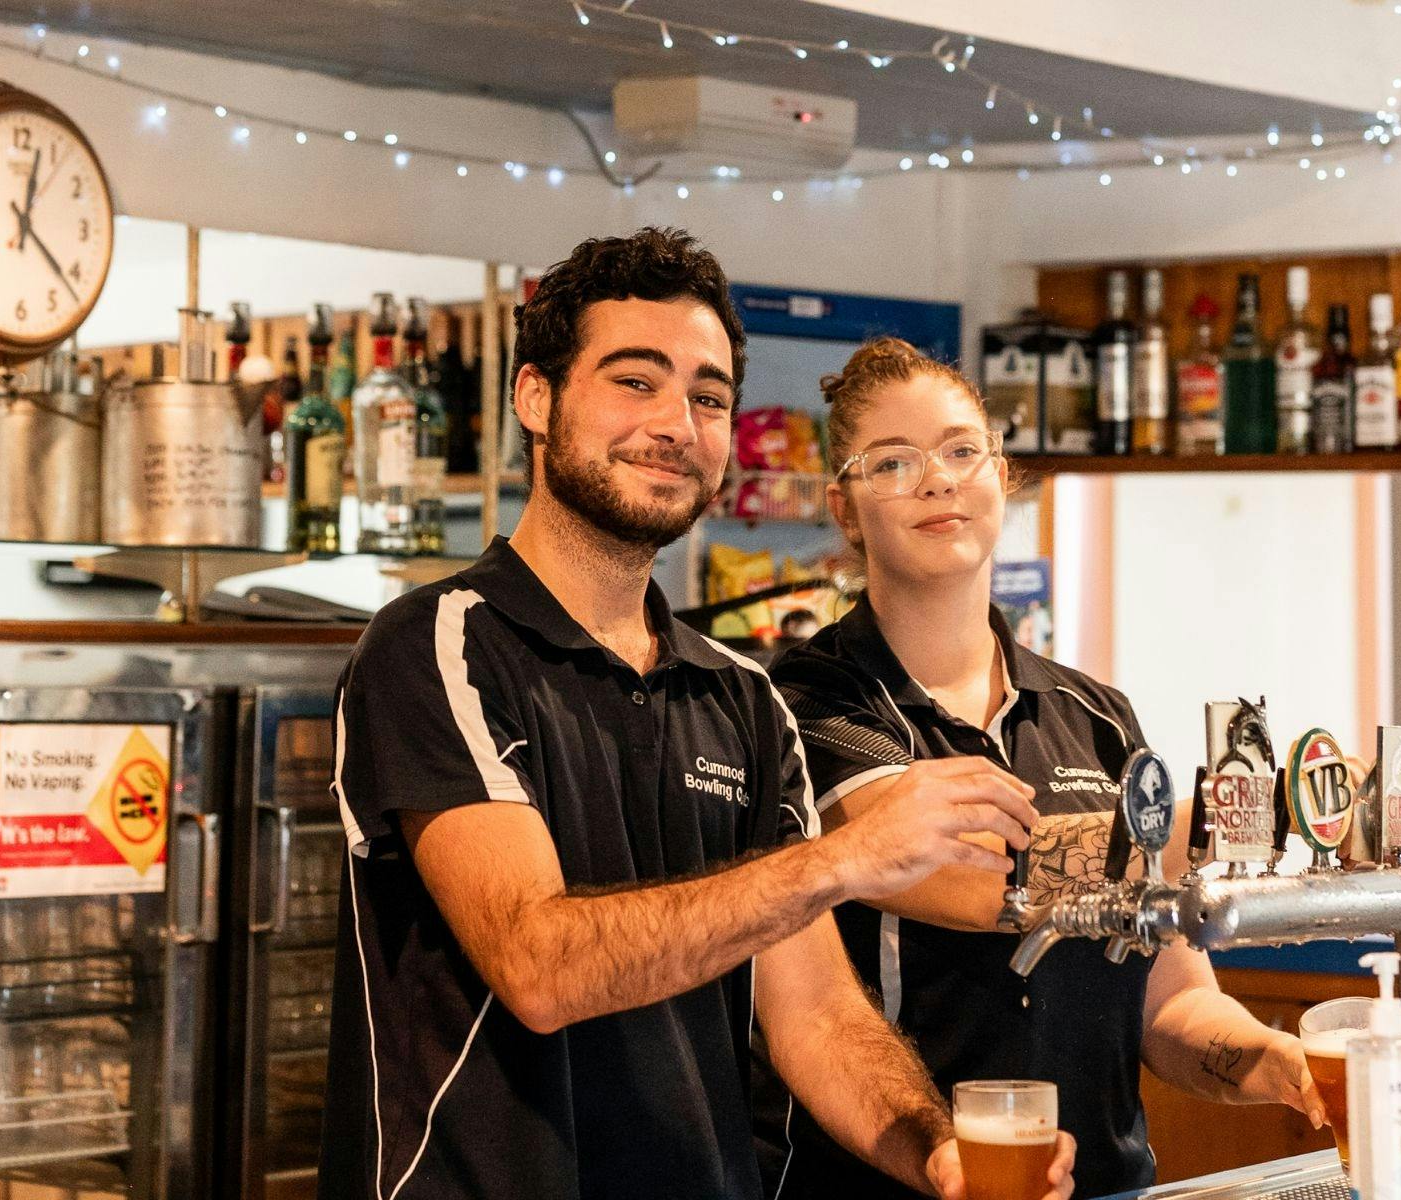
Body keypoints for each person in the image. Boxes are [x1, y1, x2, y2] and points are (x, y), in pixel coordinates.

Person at [316, 229, 1076, 1200]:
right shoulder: (438, 645)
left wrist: (933, 1149)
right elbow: (539, 964)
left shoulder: (742, 698)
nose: (677, 423)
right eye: (635, 381)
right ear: (535, 398)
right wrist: (842, 859)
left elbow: (814, 1016)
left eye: (708, 397)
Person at [763, 338, 1325, 1199]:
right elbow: (957, 872)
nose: (939, 480)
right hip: (907, 1183)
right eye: (894, 462)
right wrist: (1245, 817)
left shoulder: (1097, 716)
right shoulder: (807, 702)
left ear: (1000, 474)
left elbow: (1167, 997)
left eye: (961, 451)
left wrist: (1258, 1055)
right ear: (844, 508)